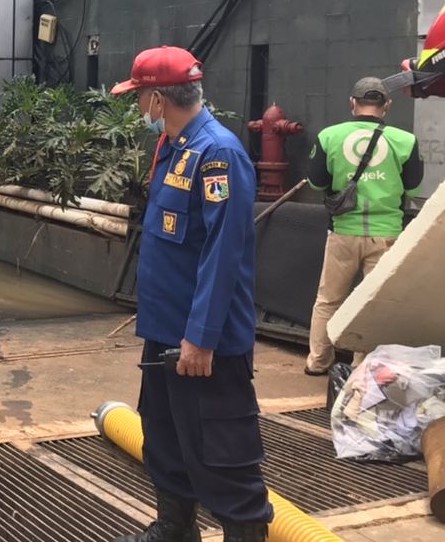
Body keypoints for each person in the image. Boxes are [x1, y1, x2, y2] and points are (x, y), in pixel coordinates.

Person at [109, 46, 272, 542]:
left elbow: (223, 256)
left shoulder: (217, 153)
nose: (138, 107)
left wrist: (201, 339)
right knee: (165, 441)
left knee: (222, 455)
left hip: (203, 346)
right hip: (164, 335)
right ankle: (175, 531)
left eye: (140, 97)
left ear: (159, 99)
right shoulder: (176, 147)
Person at [304, 77, 422, 376]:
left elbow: (317, 182)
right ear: (387, 106)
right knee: (373, 303)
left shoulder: (329, 136)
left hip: (343, 232)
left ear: (352, 103)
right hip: (387, 234)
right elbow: (413, 186)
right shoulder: (405, 140)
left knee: (328, 299)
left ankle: (318, 361)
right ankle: (362, 365)